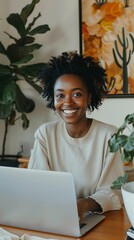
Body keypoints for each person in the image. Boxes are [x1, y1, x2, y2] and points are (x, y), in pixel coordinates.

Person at [28, 51, 124, 221]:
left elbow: (113, 191)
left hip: (94, 219)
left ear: (89, 97)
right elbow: (36, 186)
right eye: (60, 95)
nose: (68, 102)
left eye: (77, 94)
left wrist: (83, 205)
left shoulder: (109, 135)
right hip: (52, 217)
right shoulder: (45, 134)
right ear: (53, 99)